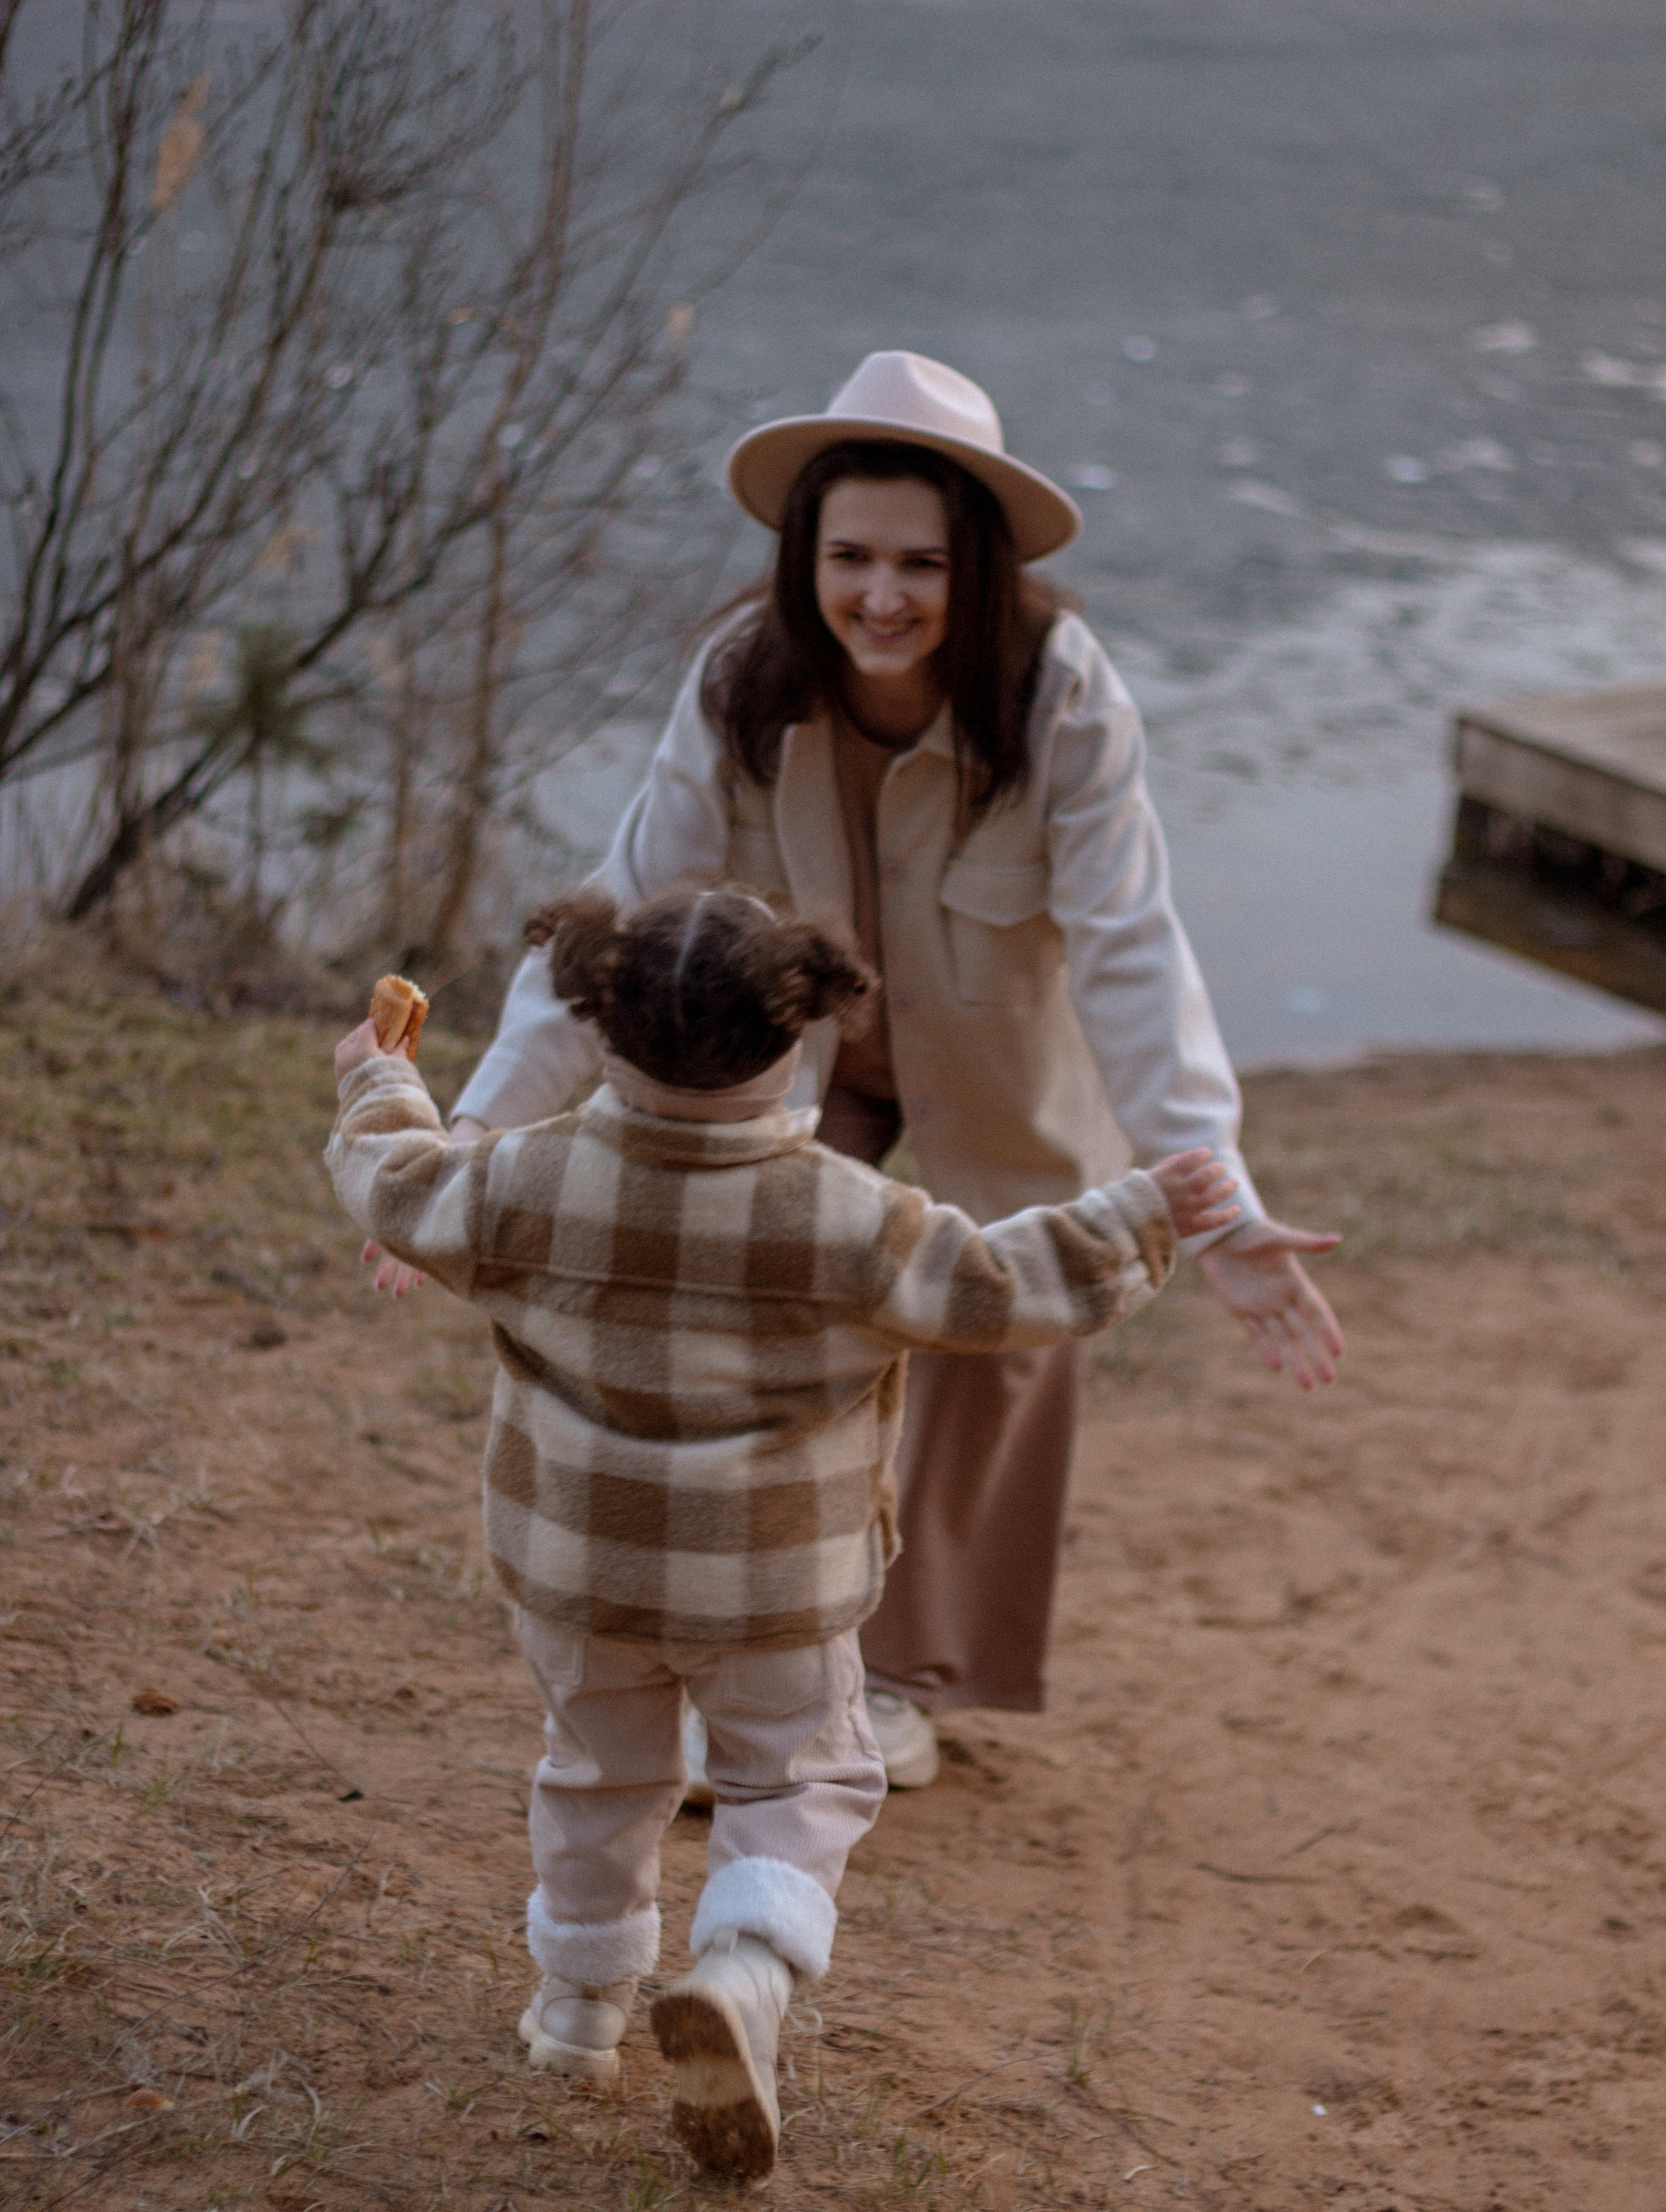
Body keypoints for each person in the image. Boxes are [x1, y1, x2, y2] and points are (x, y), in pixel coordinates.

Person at [364, 349, 1343, 1789]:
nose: (881, 595)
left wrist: (1217, 1196)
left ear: (980, 567)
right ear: (801, 559)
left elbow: (1131, 943)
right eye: (850, 558)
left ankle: (892, 1681)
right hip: (792, 1055)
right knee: (756, 1295)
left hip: (1001, 1066)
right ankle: (740, 1641)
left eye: (920, 564)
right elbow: (621, 915)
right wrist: (467, 1130)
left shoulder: (1060, 694)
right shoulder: (737, 685)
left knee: (1003, 1328)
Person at [328, 885, 1239, 2178]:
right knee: (800, 1780)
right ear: (797, 1038)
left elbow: (399, 1184)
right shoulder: (848, 1216)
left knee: (597, 1777)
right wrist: (1147, 1210)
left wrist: (378, 1081)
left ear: (600, 1030)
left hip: (576, 1575)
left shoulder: (528, 1183)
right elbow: (1002, 1283)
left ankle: (576, 2015)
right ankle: (742, 1979)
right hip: (772, 1588)